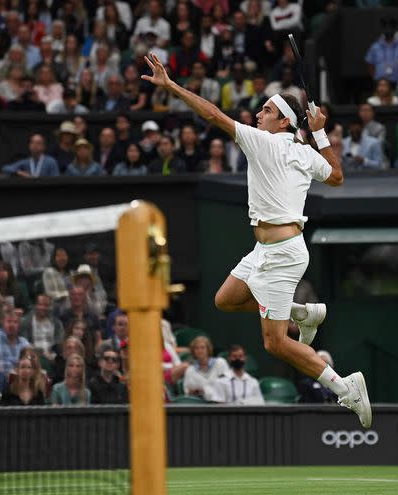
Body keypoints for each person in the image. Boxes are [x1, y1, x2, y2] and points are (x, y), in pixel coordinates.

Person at [143, 51, 371, 427]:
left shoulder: (264, 142)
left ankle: (345, 386)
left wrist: (170, 86)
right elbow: (336, 175)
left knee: (276, 343)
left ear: (282, 121)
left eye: (266, 110)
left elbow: (213, 114)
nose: (257, 114)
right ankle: (302, 311)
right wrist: (318, 132)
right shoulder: (303, 150)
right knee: (226, 299)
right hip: (266, 249)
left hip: (281, 253)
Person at [0, 310, 30, 376]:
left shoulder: (24, 343)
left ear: (19, 326)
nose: (12, 325)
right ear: (3, 323)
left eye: (15, 322)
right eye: (9, 321)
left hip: (17, 380)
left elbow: (29, 364)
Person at [20, 294, 64, 361]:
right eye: (40, 304)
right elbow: (24, 342)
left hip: (52, 357)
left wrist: (53, 355)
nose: (43, 308)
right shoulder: (26, 322)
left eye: (46, 305)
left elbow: (59, 342)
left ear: (50, 307)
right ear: (35, 305)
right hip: (32, 357)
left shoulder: (57, 323)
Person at [364, 16, 398, 86]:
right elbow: (370, 64)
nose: (388, 29)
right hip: (379, 82)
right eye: (385, 27)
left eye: (391, 27)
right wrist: (375, 78)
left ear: (395, 29)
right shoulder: (375, 46)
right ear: (382, 29)